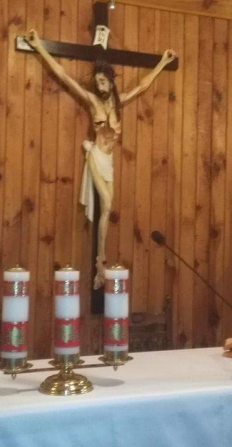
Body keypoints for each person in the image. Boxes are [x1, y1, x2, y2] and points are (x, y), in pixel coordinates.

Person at [25, 29, 177, 287]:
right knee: (106, 204)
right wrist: (38, 46)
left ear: (111, 82)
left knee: (108, 209)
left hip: (109, 161)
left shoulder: (119, 102)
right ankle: (100, 263)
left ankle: (100, 265)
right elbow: (63, 75)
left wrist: (163, 62)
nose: (100, 86)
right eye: (98, 82)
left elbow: (142, 86)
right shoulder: (92, 101)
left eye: (103, 82)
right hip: (96, 155)